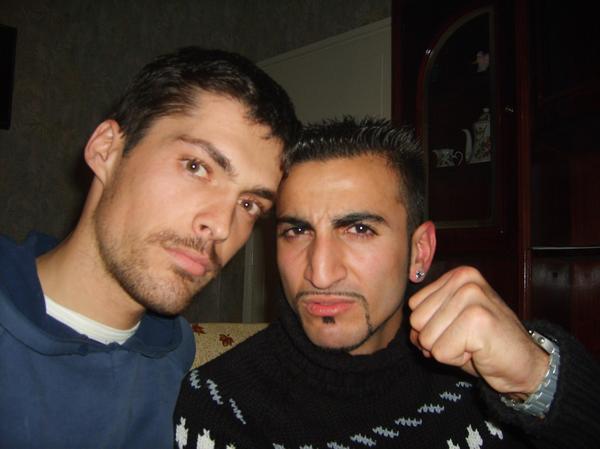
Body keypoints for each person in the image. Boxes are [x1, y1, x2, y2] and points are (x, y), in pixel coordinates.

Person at [174, 117, 600, 449]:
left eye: (359, 229)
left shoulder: (484, 380)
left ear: (420, 252)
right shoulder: (219, 407)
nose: (320, 273)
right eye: (297, 231)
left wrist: (536, 377)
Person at [0, 46, 299, 449]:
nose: (221, 227)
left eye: (249, 205)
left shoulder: (177, 360)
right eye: (196, 166)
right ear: (107, 149)